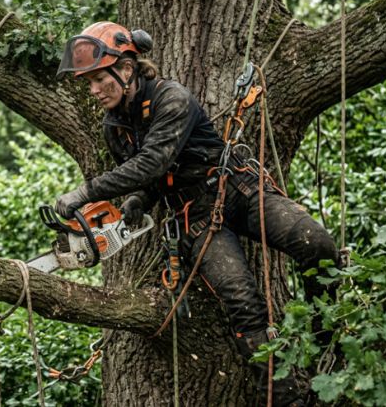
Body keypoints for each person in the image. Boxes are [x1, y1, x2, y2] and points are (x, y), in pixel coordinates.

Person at [54, 21, 340, 407]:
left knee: (317, 243)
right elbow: (148, 174)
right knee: (241, 300)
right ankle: (287, 399)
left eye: (99, 79)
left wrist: (85, 192)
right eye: (88, 82)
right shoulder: (115, 127)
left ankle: (327, 343)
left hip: (237, 189)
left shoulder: (172, 98)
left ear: (126, 68)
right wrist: (140, 198)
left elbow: (154, 160)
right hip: (195, 216)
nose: (93, 90)